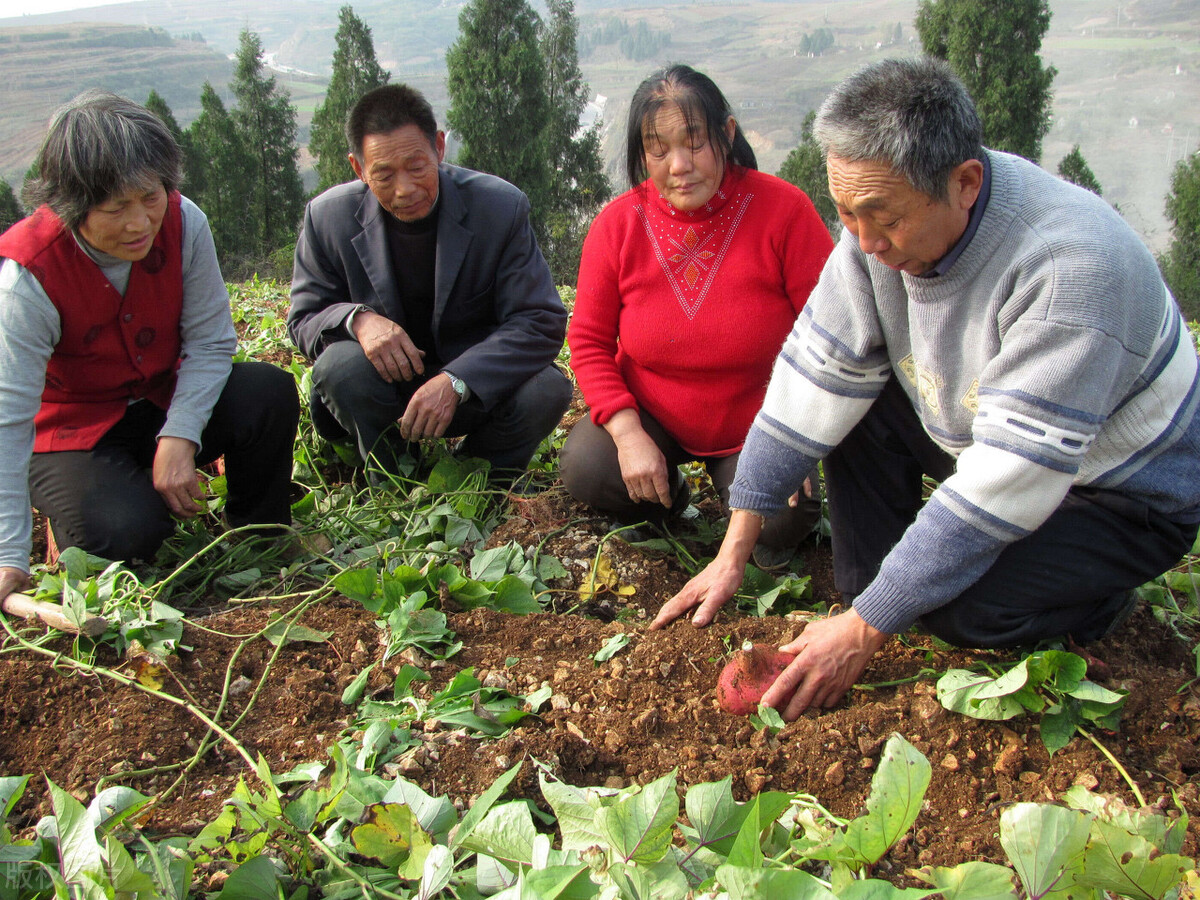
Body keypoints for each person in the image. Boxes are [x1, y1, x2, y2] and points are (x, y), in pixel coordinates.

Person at [653, 57, 1200, 719]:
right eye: (846, 213)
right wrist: (734, 550)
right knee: (858, 423)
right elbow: (812, 375)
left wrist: (862, 634)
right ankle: (876, 592)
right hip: (987, 431)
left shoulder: (1070, 271)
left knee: (959, 608)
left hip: (1117, 491)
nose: (863, 241)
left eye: (882, 218)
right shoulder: (877, 231)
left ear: (966, 183)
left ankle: (1093, 596)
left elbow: (1007, 479)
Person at [0, 90, 300, 607]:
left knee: (267, 393)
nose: (140, 223)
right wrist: (7, 554)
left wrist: (180, 436)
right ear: (69, 206)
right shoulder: (28, 276)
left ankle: (257, 533)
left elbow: (209, 341)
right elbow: (9, 419)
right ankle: (88, 511)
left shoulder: (187, 225)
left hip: (162, 399)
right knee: (125, 529)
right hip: (73, 432)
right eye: (116, 207)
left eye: (151, 197)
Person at [562, 65, 834, 565]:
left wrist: (794, 437)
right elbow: (589, 340)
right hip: (653, 416)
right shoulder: (618, 225)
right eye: (658, 149)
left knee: (783, 518)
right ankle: (670, 499)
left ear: (726, 134)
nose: (679, 165)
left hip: (760, 424)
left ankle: (747, 509)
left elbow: (830, 334)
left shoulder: (784, 211)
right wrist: (626, 435)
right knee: (587, 464)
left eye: (695, 142)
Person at [287, 83, 571, 485]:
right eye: (383, 175)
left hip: (470, 391)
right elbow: (303, 318)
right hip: (378, 391)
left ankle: (469, 473)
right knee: (339, 366)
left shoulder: (499, 208)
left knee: (546, 389)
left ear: (439, 147)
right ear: (358, 168)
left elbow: (539, 320)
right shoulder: (328, 217)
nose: (405, 189)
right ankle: (392, 472)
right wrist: (358, 321)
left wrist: (458, 381)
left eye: (417, 167)